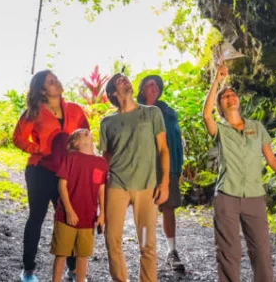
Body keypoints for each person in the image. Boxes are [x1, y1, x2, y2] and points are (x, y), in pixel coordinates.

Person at [202, 64, 276, 282]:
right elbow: (206, 116)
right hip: (227, 196)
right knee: (228, 253)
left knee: (261, 252)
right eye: (225, 97)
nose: (230, 97)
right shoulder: (220, 130)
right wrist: (217, 80)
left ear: (239, 100)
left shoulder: (257, 127)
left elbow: (271, 160)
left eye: (233, 94)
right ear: (220, 107)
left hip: (254, 197)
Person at [13, 70, 89, 282]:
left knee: (68, 219)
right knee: (36, 218)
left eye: (55, 78)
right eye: (50, 81)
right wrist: (38, 148)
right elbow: (18, 137)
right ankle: (28, 270)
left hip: (67, 174)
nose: (56, 81)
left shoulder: (75, 110)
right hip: (40, 171)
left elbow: (86, 136)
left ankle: (73, 270)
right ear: (42, 90)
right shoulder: (34, 111)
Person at [100, 73, 170, 282]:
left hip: (146, 188)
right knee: (112, 240)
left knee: (147, 243)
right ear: (113, 92)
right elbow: (105, 161)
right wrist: (99, 203)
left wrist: (164, 183)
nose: (126, 81)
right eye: (120, 80)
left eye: (126, 78)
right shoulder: (107, 122)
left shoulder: (152, 113)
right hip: (117, 186)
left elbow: (163, 150)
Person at [136, 75, 187, 273]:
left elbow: (176, 140)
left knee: (168, 207)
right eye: (149, 84)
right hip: (145, 167)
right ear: (141, 90)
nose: (154, 86)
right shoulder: (136, 112)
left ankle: (171, 252)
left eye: (156, 84)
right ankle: (146, 251)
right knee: (146, 210)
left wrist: (177, 167)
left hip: (168, 166)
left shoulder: (168, 112)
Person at [50, 129, 108, 282]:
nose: (85, 131)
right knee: (61, 254)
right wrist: (69, 211)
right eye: (80, 133)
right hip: (65, 217)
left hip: (88, 218)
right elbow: (62, 186)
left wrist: (102, 214)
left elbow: (101, 190)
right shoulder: (71, 158)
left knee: (83, 256)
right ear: (75, 143)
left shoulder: (101, 163)